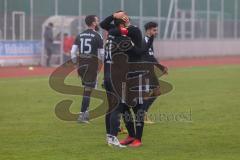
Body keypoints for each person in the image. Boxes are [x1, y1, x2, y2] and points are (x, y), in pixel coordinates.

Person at [100, 11, 154, 147]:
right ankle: (120, 136)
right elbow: (140, 51)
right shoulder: (123, 39)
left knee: (130, 107)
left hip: (131, 75)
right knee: (121, 107)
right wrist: (151, 39)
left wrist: (114, 16)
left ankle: (135, 138)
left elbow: (105, 25)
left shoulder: (114, 36)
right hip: (124, 76)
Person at [71, 15, 104, 123]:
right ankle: (82, 115)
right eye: (97, 20)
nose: (98, 22)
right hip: (92, 66)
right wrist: (104, 63)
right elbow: (102, 54)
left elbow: (72, 52)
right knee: (88, 90)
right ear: (93, 23)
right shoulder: (97, 36)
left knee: (88, 88)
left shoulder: (79, 35)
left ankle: (85, 113)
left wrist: (76, 64)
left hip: (82, 65)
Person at [142, 22, 168, 124]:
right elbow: (147, 58)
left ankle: (143, 112)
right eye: (154, 30)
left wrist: (160, 67)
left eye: (156, 30)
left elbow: (151, 57)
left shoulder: (150, 40)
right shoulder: (143, 41)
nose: (156, 32)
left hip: (150, 70)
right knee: (146, 93)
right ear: (148, 30)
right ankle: (142, 114)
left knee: (157, 91)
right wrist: (160, 67)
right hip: (144, 70)